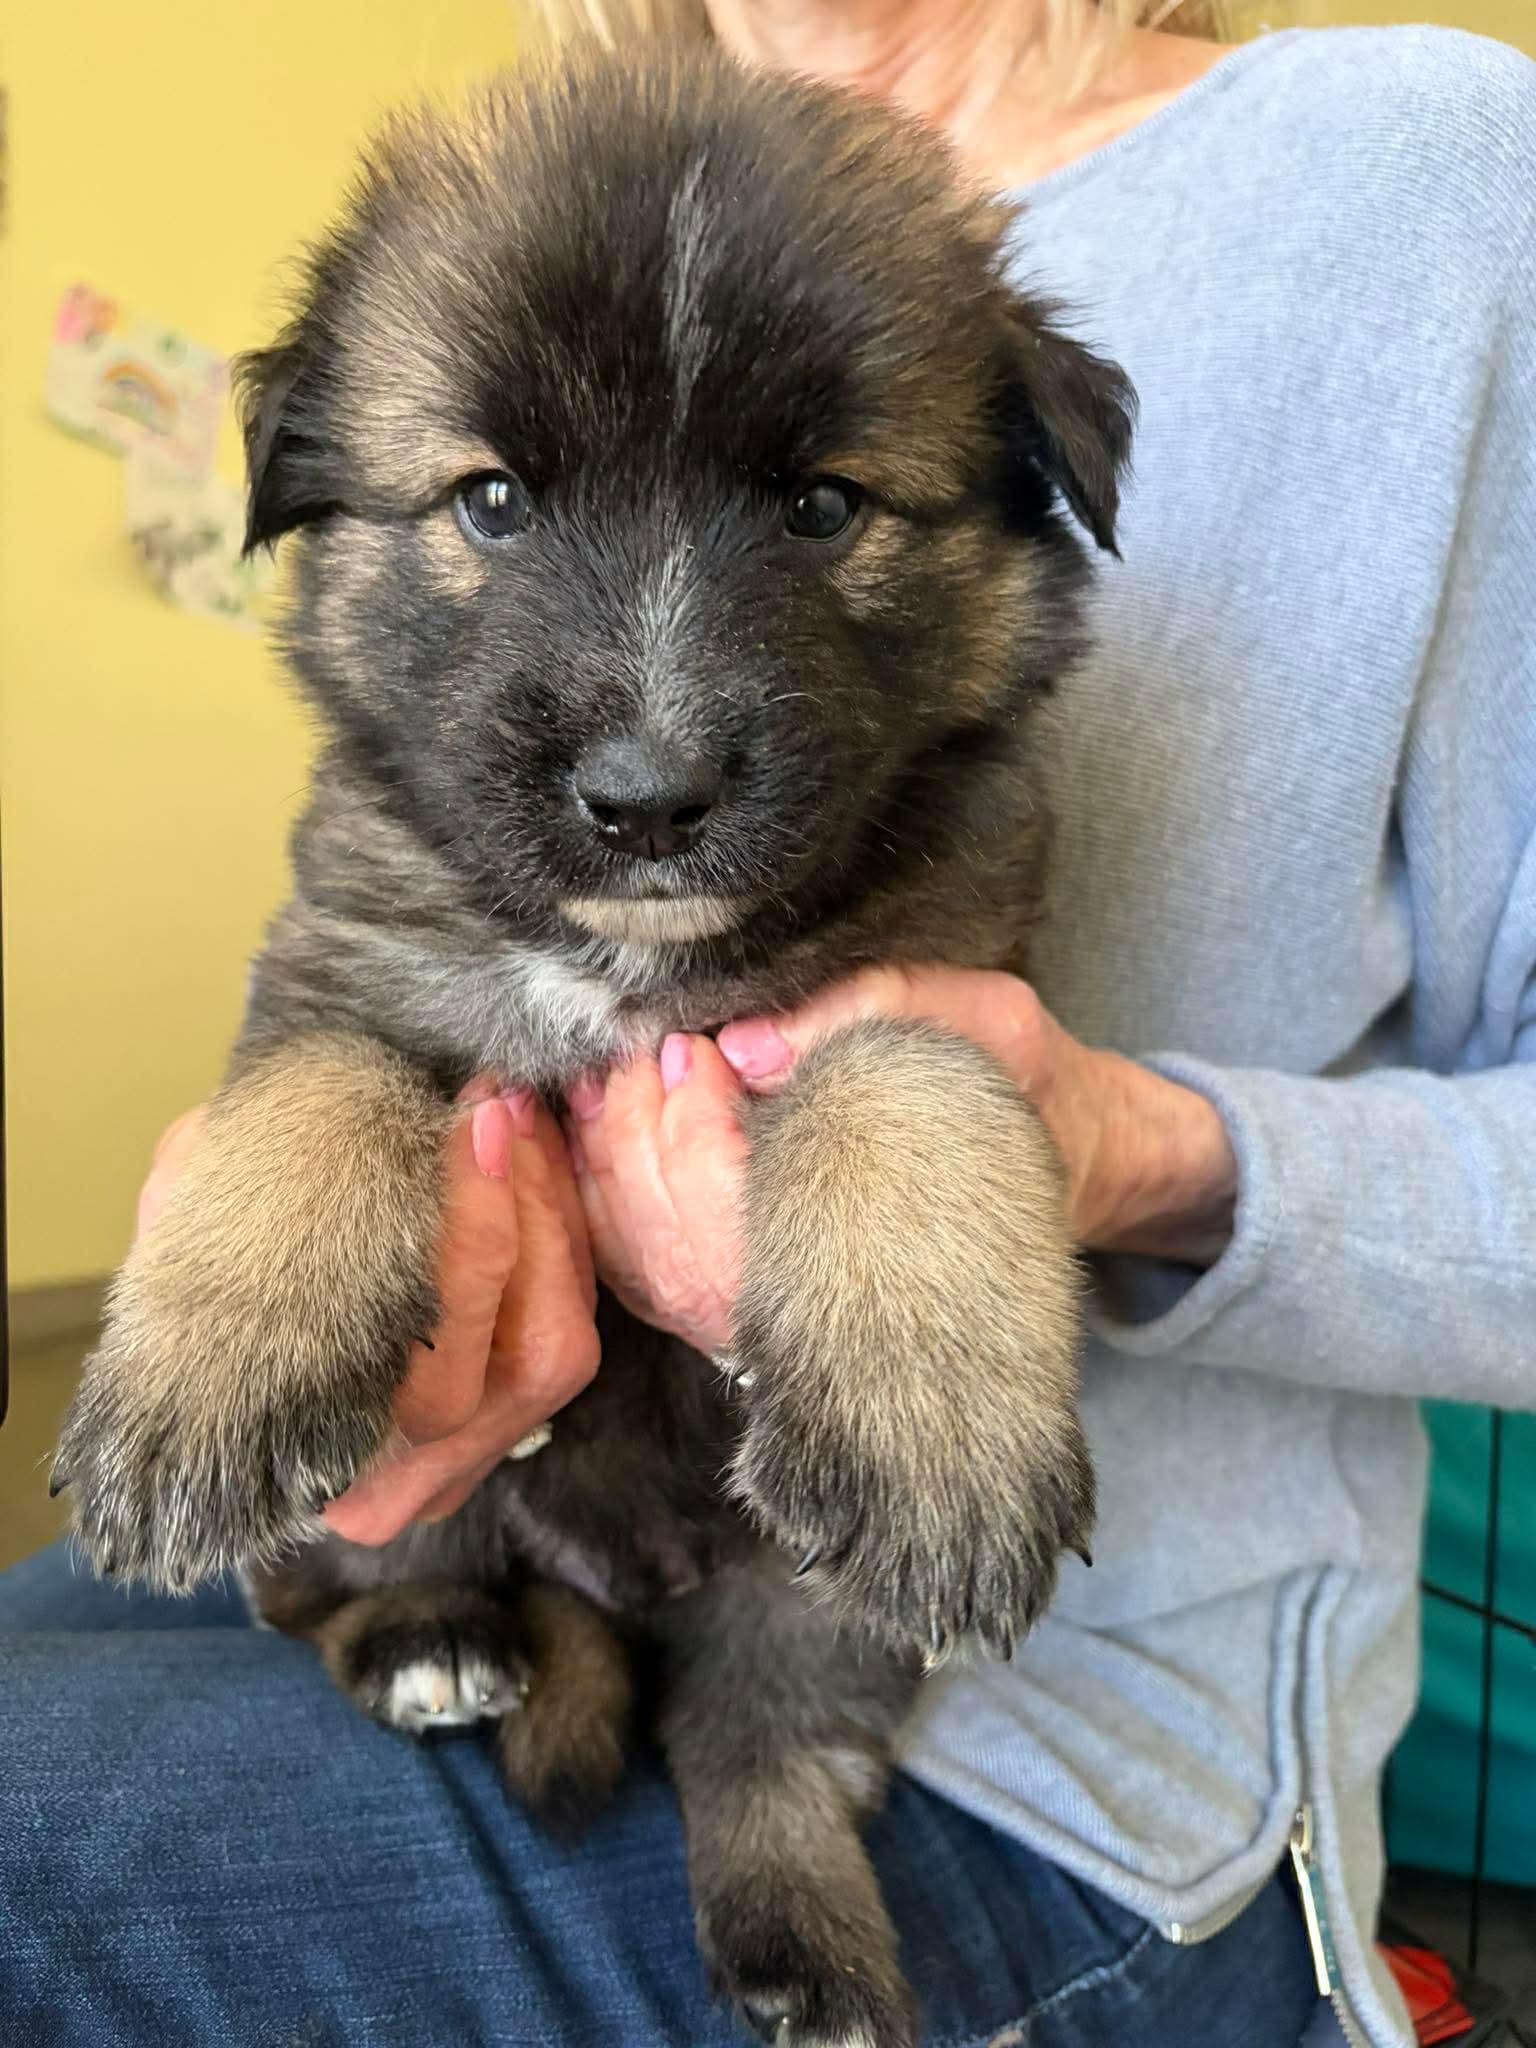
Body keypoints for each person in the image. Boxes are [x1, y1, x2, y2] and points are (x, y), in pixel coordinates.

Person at [4, 1, 1534, 2042]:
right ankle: (455, 1617)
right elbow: (341, 1031)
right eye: (490, 502)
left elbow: (918, 1066)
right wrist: (283, 1260)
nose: (648, 736)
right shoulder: (491, 250)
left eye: (820, 513)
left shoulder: (1427, 171)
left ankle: (778, 1811)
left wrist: (1099, 1147)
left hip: (1073, 1733)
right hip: (500, 1520)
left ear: (1025, 492)